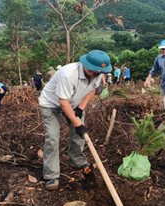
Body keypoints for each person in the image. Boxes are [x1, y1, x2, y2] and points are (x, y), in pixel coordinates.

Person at [38, 50, 112, 190]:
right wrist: (78, 124)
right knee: (53, 138)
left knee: (79, 136)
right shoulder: (68, 74)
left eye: (99, 72)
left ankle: (77, 159)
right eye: (94, 71)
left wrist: (81, 108)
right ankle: (51, 175)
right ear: (86, 65)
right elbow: (63, 102)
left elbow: (92, 90)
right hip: (51, 104)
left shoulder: (97, 74)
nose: (96, 74)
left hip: (73, 103)